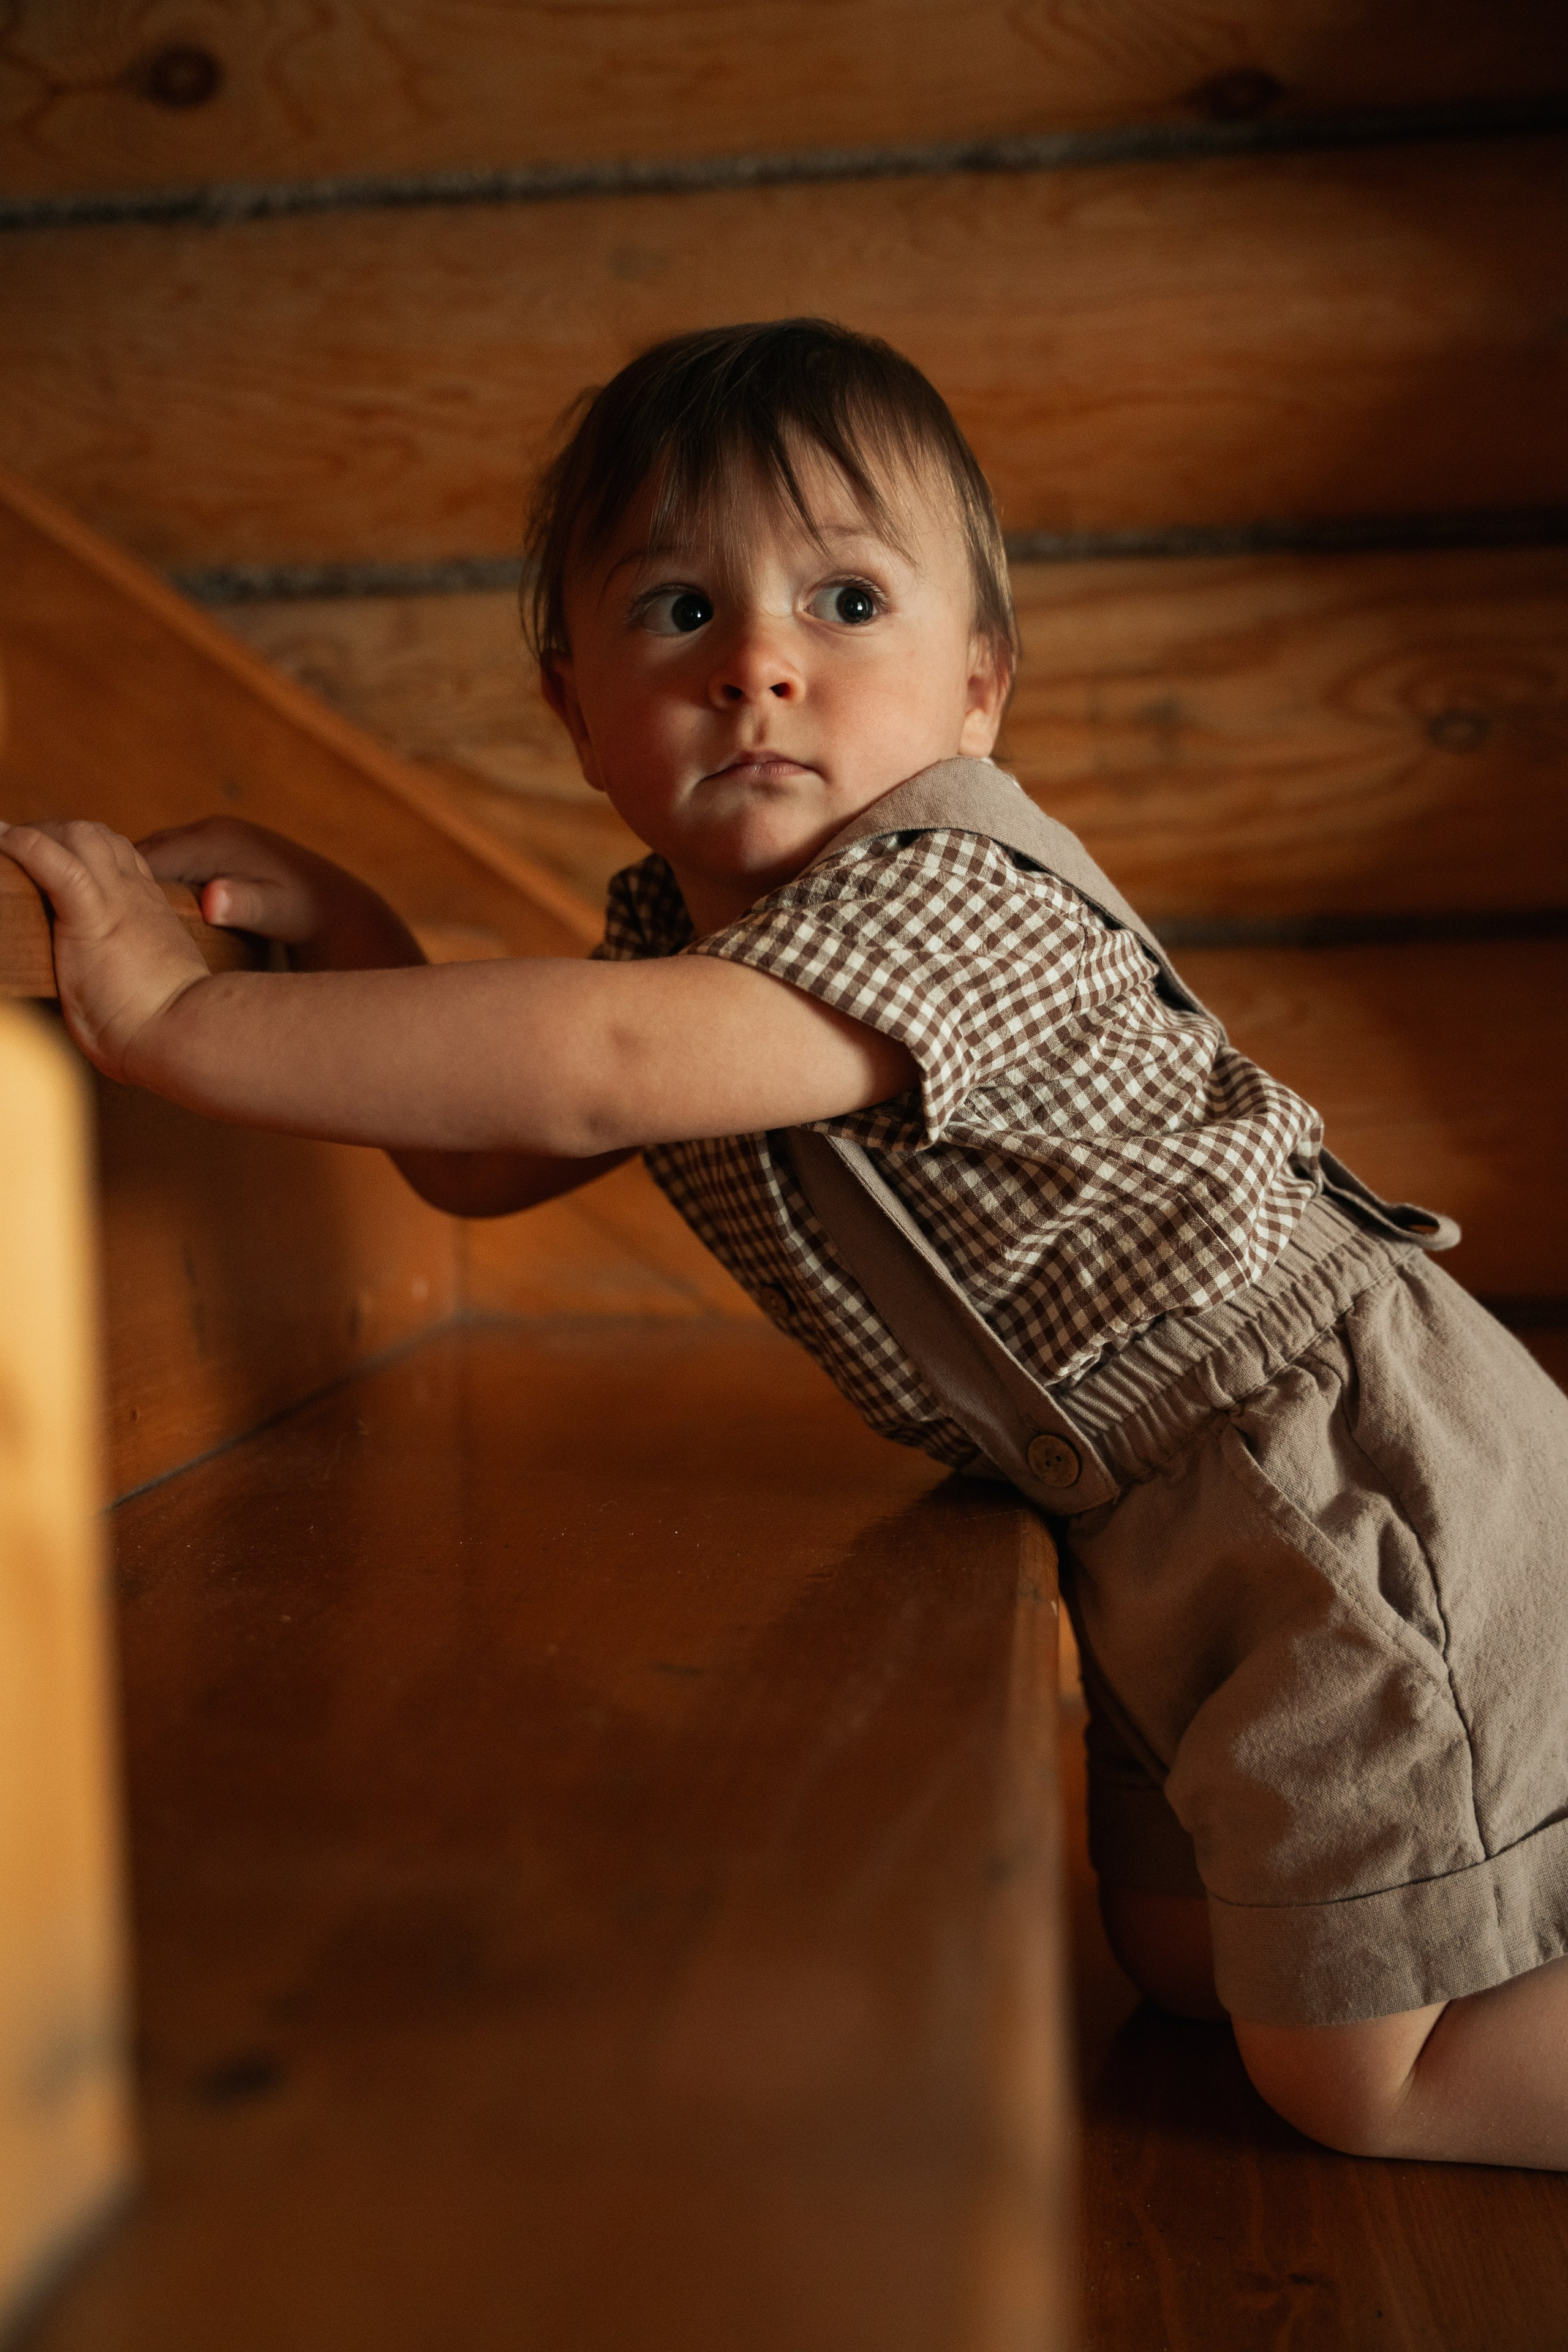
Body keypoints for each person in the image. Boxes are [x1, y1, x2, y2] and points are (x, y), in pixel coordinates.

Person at [5, 317, 1566, 2169]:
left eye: (845, 602)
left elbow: (595, 1067)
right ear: (576, 709)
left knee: (1364, 2075)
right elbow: (484, 1158)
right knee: (1178, 1962)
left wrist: (178, 1019)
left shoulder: (953, 889)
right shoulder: (683, 950)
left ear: (977, 688)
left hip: (1334, 1471)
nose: (755, 662)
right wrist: (348, 931)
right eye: (679, 612)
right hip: (1148, 1514)